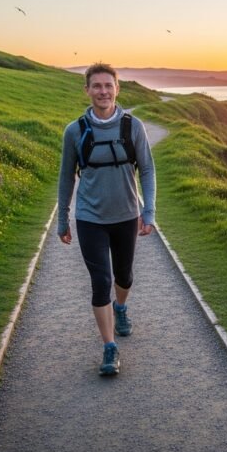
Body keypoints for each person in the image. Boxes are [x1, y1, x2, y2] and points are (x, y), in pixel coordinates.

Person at [57, 62, 156, 376]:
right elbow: (65, 178)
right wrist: (63, 219)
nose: (102, 91)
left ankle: (121, 307)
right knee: (101, 282)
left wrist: (148, 211)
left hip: (126, 214)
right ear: (86, 90)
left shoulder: (133, 127)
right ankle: (109, 348)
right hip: (89, 217)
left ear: (117, 89)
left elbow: (148, 170)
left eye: (108, 85)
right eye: (96, 86)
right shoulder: (74, 131)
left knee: (124, 276)